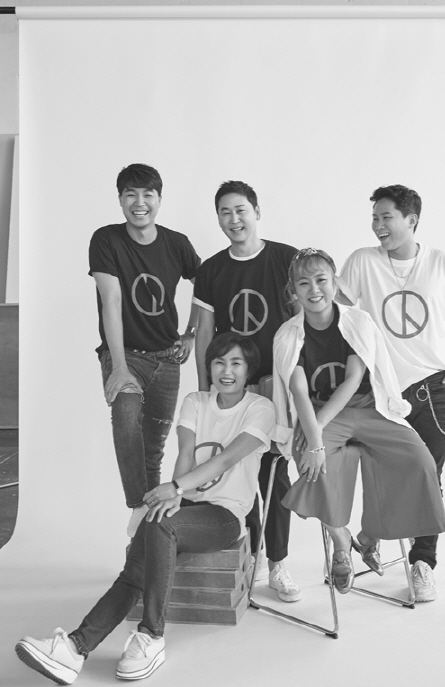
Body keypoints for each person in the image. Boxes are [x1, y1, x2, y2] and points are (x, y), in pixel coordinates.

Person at [15, 332, 276, 684]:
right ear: (209, 367)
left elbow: (227, 459)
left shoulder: (260, 408)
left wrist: (176, 488)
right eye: (219, 362)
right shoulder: (196, 401)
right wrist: (176, 496)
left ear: (248, 370)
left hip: (225, 516)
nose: (226, 371)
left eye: (236, 363)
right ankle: (74, 648)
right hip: (188, 506)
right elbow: (185, 454)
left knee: (161, 525)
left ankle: (152, 636)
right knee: (134, 570)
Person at [339, 184, 445, 601]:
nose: (378, 225)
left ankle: (422, 563)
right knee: (381, 470)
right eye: (374, 218)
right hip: (380, 386)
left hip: (433, 388)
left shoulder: (443, 262)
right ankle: (371, 536)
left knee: (428, 475)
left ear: (412, 220)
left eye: (386, 217)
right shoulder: (363, 261)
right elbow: (337, 312)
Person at [272, 248, 445, 594]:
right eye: (303, 283)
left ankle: (369, 536)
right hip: (317, 410)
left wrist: (317, 434)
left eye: (321, 280)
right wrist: (315, 440)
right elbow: (299, 392)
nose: (314, 289)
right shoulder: (288, 335)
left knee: (420, 461)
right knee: (312, 465)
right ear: (293, 290)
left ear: (335, 282)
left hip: (368, 407)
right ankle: (341, 542)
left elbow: (353, 379)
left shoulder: (357, 321)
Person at [193, 180, 301, 602]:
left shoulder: (286, 259)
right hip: (231, 387)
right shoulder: (211, 270)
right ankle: (250, 555)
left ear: (257, 212)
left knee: (274, 472)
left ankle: (278, 562)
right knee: (238, 472)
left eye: (241, 210)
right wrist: (205, 390)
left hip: (276, 386)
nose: (234, 219)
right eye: (225, 212)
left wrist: (298, 381)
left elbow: (304, 320)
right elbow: (204, 333)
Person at [89, 163, 201, 537]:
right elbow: (111, 300)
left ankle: (147, 533)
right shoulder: (106, 239)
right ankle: (138, 507)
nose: (139, 203)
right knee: (125, 417)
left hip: (167, 359)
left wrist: (191, 333)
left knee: (153, 448)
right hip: (125, 354)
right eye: (131, 195)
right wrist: (119, 367)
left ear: (159, 199)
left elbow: (206, 285)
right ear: (120, 200)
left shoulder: (177, 243)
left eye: (147, 194)